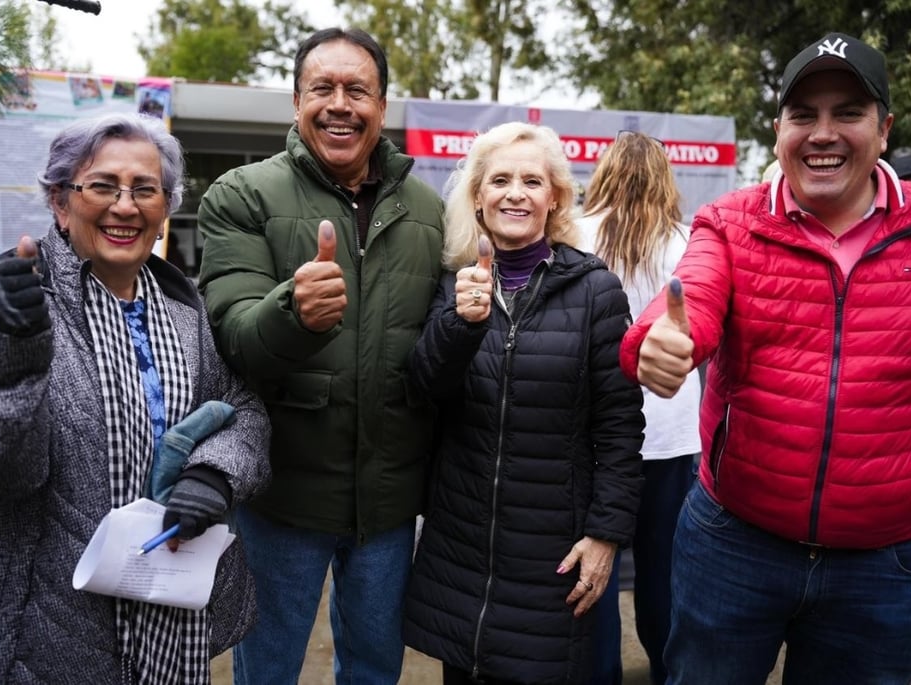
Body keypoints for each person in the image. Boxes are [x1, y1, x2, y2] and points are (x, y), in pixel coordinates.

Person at [621, 32, 911, 684]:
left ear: (883, 129)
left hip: (888, 564)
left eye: (848, 113)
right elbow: (688, 302)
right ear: (779, 131)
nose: (823, 133)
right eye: (804, 115)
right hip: (734, 545)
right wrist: (657, 346)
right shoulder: (729, 222)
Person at [0, 112, 271, 683]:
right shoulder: (2, 306)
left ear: (165, 207)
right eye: (102, 186)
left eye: (145, 189)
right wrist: (14, 355)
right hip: (39, 638)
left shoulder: (184, 315)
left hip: (171, 626)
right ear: (61, 204)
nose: (125, 206)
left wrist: (213, 476)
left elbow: (243, 409)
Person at [195, 27, 445, 685]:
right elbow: (233, 336)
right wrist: (293, 314)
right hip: (284, 501)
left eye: (357, 89)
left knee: (373, 669)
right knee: (267, 669)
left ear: (383, 107)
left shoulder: (427, 209)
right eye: (322, 88)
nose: (340, 104)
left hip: (389, 509)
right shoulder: (241, 194)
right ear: (297, 101)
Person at [401, 121, 645, 685]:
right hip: (460, 551)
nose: (515, 192)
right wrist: (460, 324)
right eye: (500, 180)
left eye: (532, 181)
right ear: (478, 198)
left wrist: (606, 534)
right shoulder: (452, 284)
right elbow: (422, 388)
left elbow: (619, 425)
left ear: (555, 196)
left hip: (549, 553)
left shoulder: (596, 291)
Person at [576, 130, 700, 685]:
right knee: (664, 573)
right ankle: (666, 671)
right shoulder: (690, 242)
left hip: (592, 434)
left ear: (603, 173)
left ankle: (597, 672)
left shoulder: (573, 235)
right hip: (673, 434)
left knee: (590, 569)